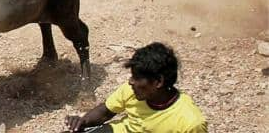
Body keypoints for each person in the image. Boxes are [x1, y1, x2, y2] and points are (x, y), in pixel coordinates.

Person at [64, 42, 208, 133]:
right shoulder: (131, 90)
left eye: (137, 77)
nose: (131, 82)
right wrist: (82, 122)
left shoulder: (190, 123)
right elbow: (105, 111)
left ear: (158, 81)